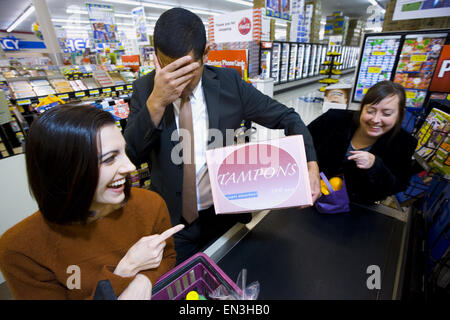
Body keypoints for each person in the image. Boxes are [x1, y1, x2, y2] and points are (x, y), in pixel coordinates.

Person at [124, 8, 321, 264]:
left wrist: (311, 164)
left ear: (206, 53)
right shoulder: (144, 89)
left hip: (223, 213)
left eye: (187, 71)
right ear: (156, 57)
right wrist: (156, 103)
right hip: (171, 221)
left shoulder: (229, 83)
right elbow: (130, 154)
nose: (176, 82)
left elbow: (288, 117)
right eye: (168, 69)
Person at [0, 105, 184, 299]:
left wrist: (145, 279)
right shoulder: (21, 250)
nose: (130, 167)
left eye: (124, 152)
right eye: (109, 159)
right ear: (65, 171)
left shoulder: (150, 204)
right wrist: (126, 271)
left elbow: (168, 257)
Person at [308, 80, 418, 203]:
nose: (376, 119)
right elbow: (302, 142)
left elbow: (396, 186)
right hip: (310, 195)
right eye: (370, 111)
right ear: (362, 108)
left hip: (355, 208)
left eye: (386, 114)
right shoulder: (334, 119)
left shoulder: (403, 143)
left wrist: (375, 165)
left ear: (400, 114)